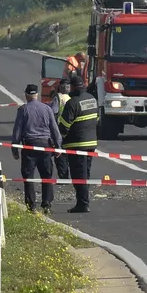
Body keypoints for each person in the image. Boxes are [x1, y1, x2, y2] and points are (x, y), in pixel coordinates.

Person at [10, 83, 62, 213]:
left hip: (29, 146)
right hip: (45, 145)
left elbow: (17, 131)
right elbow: (54, 129)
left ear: (26, 95)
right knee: (47, 176)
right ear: (37, 95)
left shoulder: (23, 110)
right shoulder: (47, 109)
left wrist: (15, 148)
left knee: (28, 177)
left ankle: (31, 205)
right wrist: (58, 146)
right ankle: (47, 204)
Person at [58, 75, 99, 213]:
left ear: (74, 87)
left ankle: (83, 204)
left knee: (78, 176)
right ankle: (83, 201)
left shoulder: (73, 102)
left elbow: (64, 127)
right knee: (85, 174)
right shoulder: (92, 99)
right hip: (91, 143)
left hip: (77, 145)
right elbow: (96, 118)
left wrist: (59, 141)